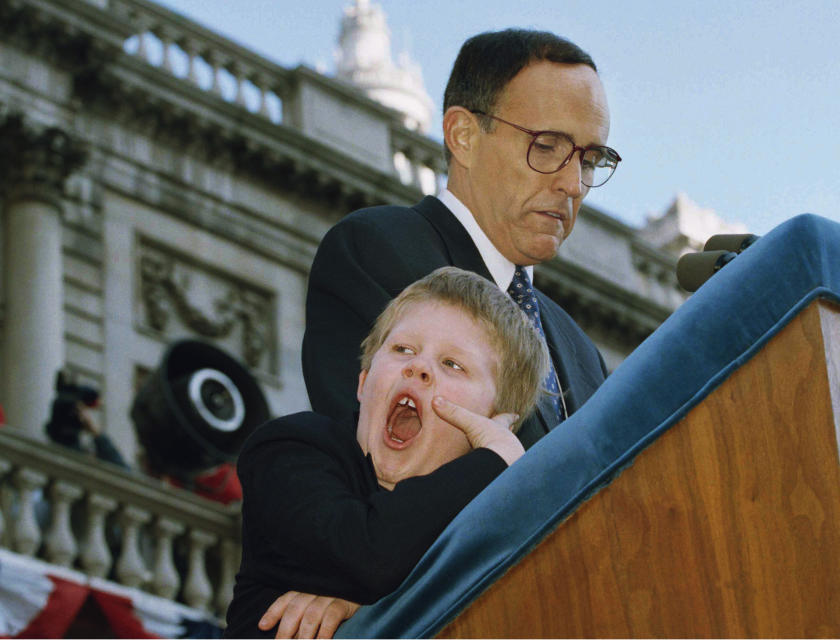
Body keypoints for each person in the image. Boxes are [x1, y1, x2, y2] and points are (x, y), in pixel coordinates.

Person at [303, 28, 621, 449]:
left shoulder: (581, 353)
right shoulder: (375, 251)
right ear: (463, 136)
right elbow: (381, 464)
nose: (574, 184)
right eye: (546, 147)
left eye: (590, 160)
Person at [224, 267, 548, 638]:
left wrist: (361, 608)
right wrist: (495, 460)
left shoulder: (498, 534)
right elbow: (368, 556)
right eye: (402, 349)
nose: (418, 367)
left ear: (493, 423)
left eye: (452, 364)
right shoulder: (290, 449)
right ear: (364, 382)